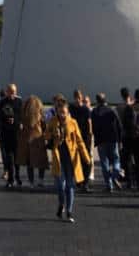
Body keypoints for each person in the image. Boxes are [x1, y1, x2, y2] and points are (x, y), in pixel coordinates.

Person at [46, 95, 91, 224]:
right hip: (58, 158)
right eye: (60, 112)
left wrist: (86, 157)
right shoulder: (53, 121)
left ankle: (69, 211)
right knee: (60, 185)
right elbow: (46, 135)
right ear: (57, 111)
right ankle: (61, 204)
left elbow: (80, 141)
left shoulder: (73, 123)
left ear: (68, 111)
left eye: (64, 112)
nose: (63, 115)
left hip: (71, 159)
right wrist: (53, 134)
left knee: (70, 186)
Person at [91, 93, 122, 192]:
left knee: (104, 163)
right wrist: (120, 139)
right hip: (112, 139)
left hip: (100, 140)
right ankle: (115, 175)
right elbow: (119, 125)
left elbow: (93, 126)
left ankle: (109, 184)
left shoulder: (94, 112)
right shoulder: (112, 110)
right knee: (116, 159)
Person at [17, 95, 49, 188]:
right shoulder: (39, 112)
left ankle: (31, 181)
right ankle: (41, 180)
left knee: (29, 161)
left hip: (27, 137)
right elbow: (44, 124)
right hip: (38, 137)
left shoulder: (24, 112)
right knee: (41, 161)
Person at [0, 84, 23, 189]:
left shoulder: (19, 101)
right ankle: (10, 180)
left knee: (17, 158)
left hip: (16, 134)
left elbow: (22, 116)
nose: (13, 93)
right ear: (7, 92)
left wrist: (17, 121)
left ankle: (17, 176)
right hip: (6, 134)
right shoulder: (2, 102)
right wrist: (5, 121)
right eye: (11, 91)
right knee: (9, 158)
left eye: (14, 91)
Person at [69, 89, 93, 190]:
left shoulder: (72, 107)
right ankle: (83, 181)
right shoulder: (85, 108)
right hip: (81, 136)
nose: (78, 99)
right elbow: (89, 122)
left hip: (78, 136)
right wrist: (90, 134)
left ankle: (81, 181)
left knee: (79, 159)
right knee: (84, 159)